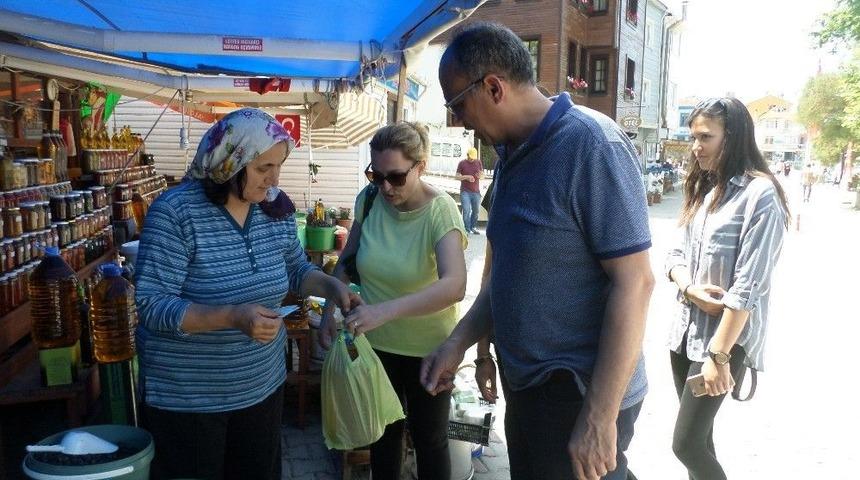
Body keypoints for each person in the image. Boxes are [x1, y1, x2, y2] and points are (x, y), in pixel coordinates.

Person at [421, 22, 655, 480]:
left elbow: (637, 283)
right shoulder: (511, 156)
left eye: (456, 104)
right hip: (529, 388)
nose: (458, 119)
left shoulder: (591, 145)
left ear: (493, 87)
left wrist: (599, 417)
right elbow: (508, 276)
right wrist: (460, 344)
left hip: (579, 394)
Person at [135, 108, 358, 480]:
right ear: (228, 162)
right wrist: (232, 317)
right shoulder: (175, 214)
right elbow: (152, 305)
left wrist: (333, 286)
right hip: (189, 401)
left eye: (279, 165)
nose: (273, 179)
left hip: (260, 389)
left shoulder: (274, 208)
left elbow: (296, 268)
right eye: (262, 167)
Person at [321, 122, 468, 480]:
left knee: (429, 440)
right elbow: (348, 259)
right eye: (377, 175)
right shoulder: (369, 200)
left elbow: (455, 285)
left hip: (427, 350)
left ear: (420, 167)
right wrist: (328, 308)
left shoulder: (440, 210)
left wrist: (384, 311)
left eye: (397, 177)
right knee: (382, 437)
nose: (385, 187)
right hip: (376, 347)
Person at [665, 98, 789, 480]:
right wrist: (689, 288)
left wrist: (718, 356)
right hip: (684, 334)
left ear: (732, 137)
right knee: (701, 443)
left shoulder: (760, 195)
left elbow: (749, 287)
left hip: (721, 342)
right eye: (693, 136)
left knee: (684, 444)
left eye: (706, 136)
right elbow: (675, 254)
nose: (696, 146)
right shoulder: (705, 188)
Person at [456, 146, 484, 234]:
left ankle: (473, 227)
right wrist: (467, 177)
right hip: (465, 191)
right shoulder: (462, 163)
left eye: (473, 158)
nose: (472, 159)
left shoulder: (478, 162)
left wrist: (480, 176)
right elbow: (457, 177)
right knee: (466, 210)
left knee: (476, 211)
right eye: (470, 157)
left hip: (476, 191)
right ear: (467, 155)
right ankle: (466, 229)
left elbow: (482, 175)